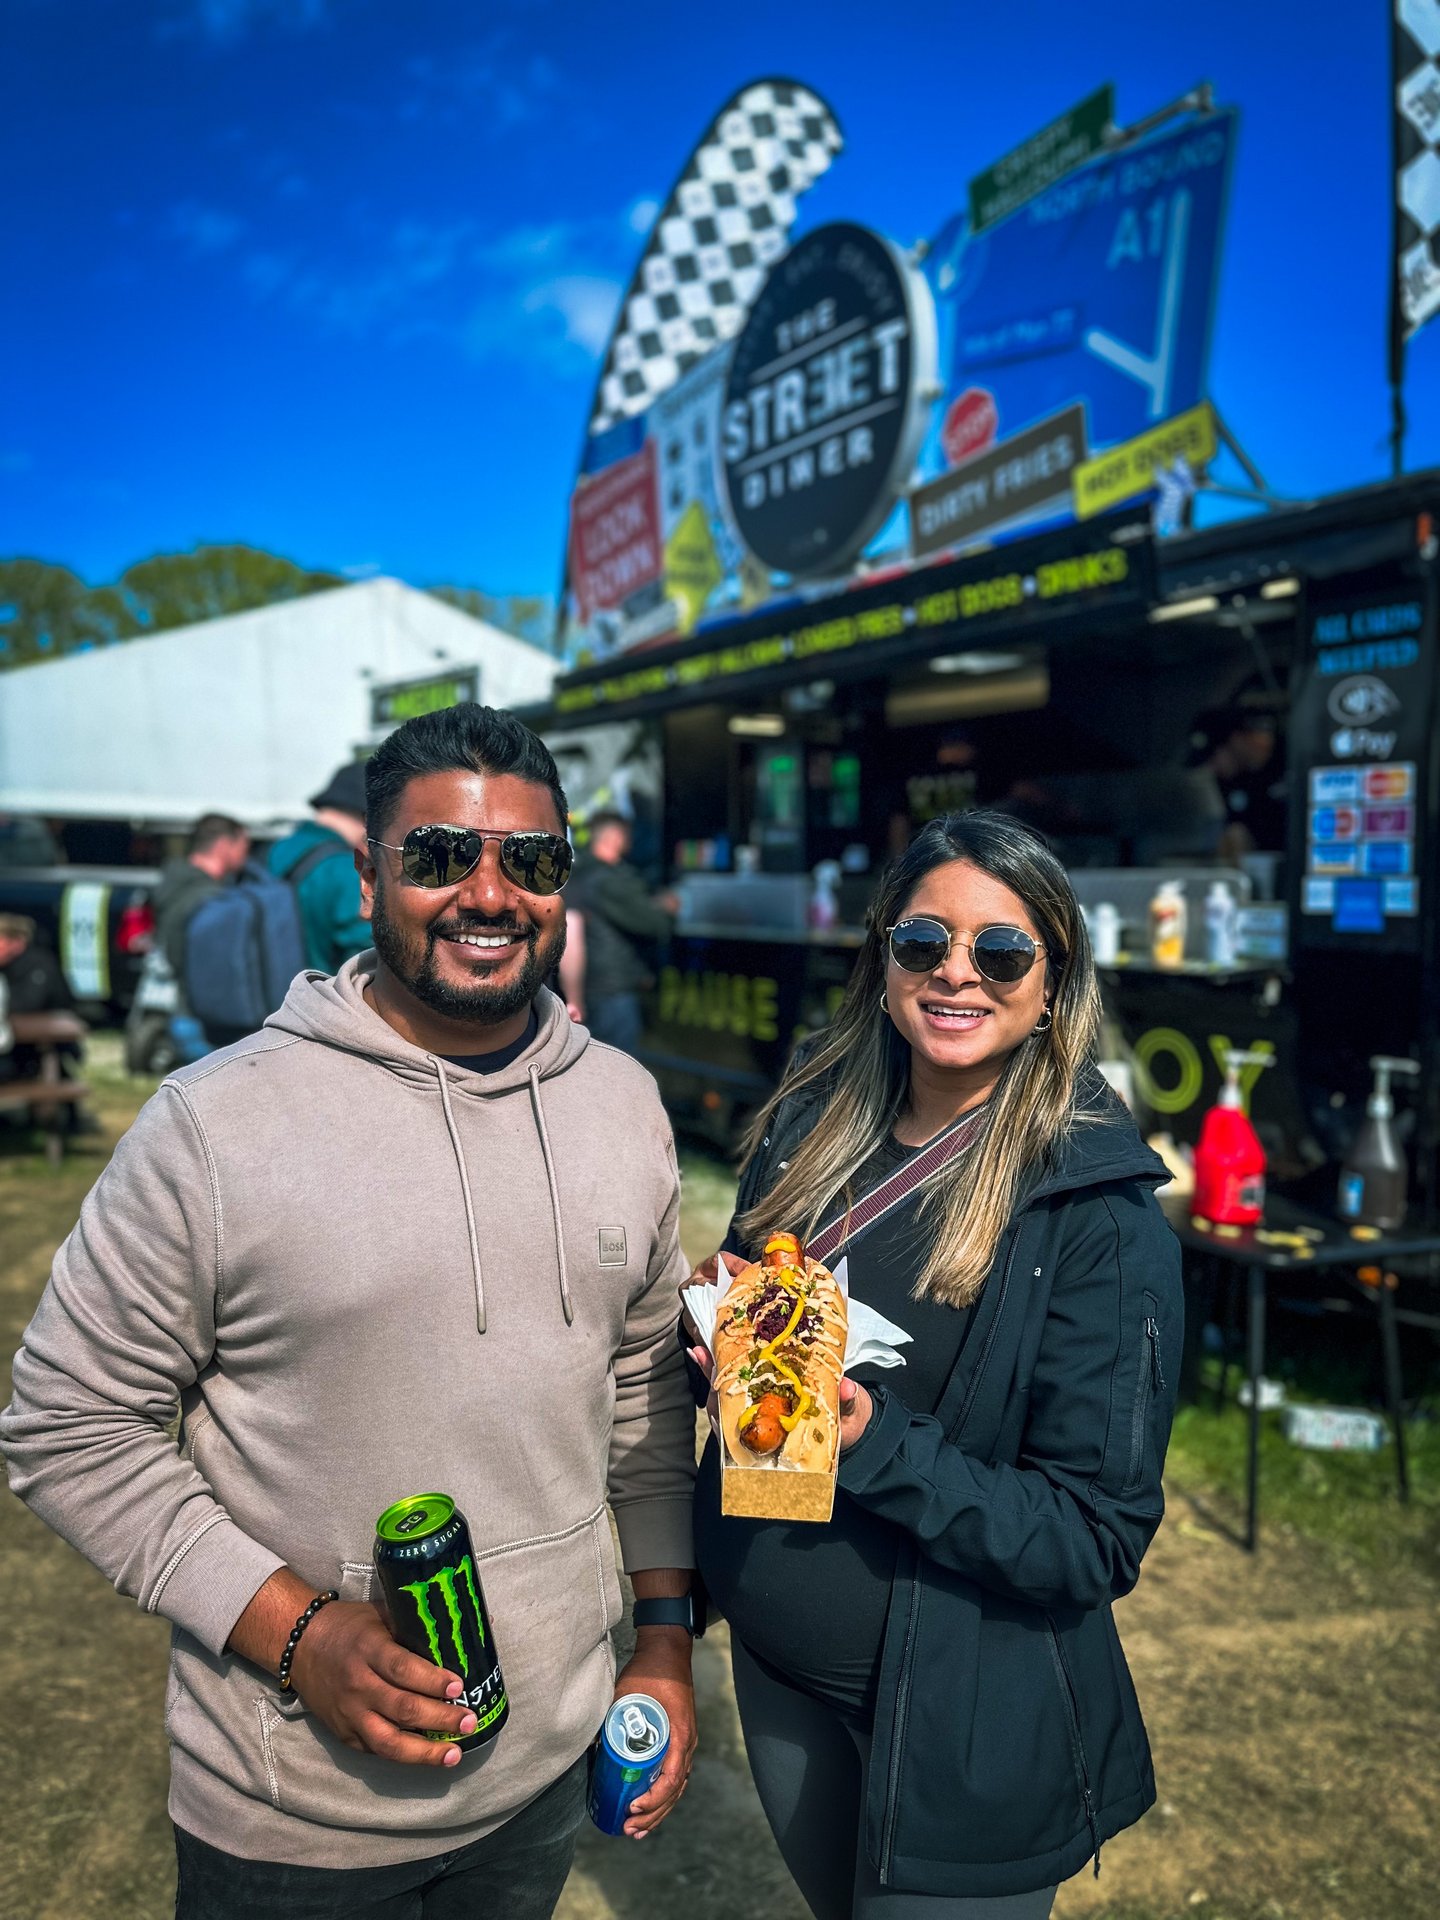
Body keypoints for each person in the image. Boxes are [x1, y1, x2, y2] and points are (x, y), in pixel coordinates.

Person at [0, 703, 698, 1919]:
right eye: (440, 856)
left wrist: (665, 1642)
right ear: (368, 874)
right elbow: (67, 1425)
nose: (490, 894)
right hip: (293, 1820)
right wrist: (296, 1632)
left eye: (529, 862)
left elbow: (642, 1392)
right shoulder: (216, 1125)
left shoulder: (625, 1105)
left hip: (541, 1782)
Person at [684, 809, 1182, 1919]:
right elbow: (748, 1312)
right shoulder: (812, 1129)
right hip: (775, 1669)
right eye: (923, 943)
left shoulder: (1095, 1215)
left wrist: (877, 1443)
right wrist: (710, 1330)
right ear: (883, 962)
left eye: (1000, 951)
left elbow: (1092, 1534)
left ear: (1052, 982)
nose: (957, 973)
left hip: (957, 1719)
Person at [567, 810, 678, 1054]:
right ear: (615, 837)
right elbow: (651, 923)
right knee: (620, 1066)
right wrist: (666, 909)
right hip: (612, 989)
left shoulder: (580, 874)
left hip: (591, 985)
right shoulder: (610, 880)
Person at [151, 813, 252, 1060]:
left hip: (181, 1009)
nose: (245, 856)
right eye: (243, 846)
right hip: (205, 1019)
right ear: (223, 845)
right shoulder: (208, 899)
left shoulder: (174, 883)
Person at [268, 761, 372, 972]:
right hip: (318, 997)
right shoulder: (347, 870)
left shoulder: (277, 850)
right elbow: (363, 959)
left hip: (274, 996)